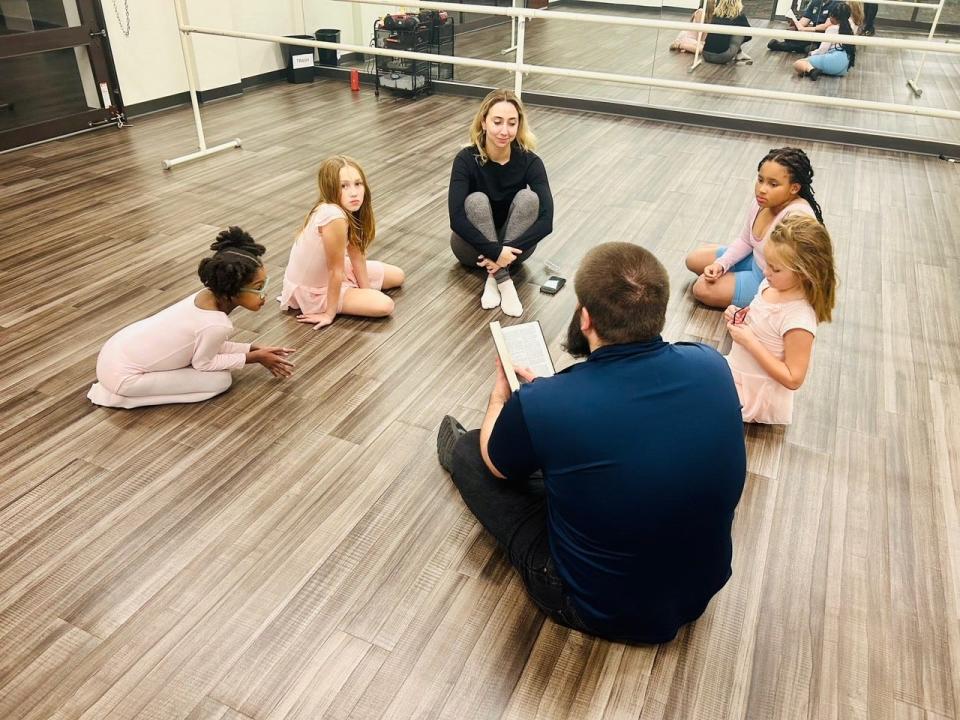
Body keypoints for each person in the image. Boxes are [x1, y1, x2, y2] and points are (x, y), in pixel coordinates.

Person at [436, 243, 746, 645]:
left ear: (585, 318)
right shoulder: (712, 364)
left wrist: (501, 398)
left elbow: (497, 465)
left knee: (476, 455)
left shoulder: (551, 400)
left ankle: (460, 453)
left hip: (599, 607)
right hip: (701, 589)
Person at [88, 227, 295, 409]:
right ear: (231, 289)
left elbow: (205, 344)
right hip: (123, 378)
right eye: (258, 288)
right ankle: (120, 398)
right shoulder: (216, 324)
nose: (265, 293)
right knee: (220, 381)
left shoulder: (202, 297)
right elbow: (203, 363)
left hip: (113, 354)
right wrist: (254, 358)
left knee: (217, 372)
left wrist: (251, 348)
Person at [448, 89, 554, 318]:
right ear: (484, 122)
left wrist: (505, 253)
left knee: (529, 198)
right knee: (476, 201)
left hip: (515, 250)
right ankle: (504, 282)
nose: (504, 131)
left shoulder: (530, 161)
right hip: (470, 250)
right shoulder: (466, 159)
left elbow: (547, 221)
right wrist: (496, 252)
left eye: (511, 123)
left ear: (519, 126)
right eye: (497, 122)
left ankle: (494, 276)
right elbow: (456, 218)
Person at [724, 215, 837, 424]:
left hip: (756, 394)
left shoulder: (799, 319)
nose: (766, 272)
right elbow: (762, 318)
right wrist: (740, 314)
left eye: (775, 269)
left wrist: (750, 341)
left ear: (804, 273)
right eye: (767, 264)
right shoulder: (771, 285)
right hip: (738, 371)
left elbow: (793, 378)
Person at [685, 146, 823, 309]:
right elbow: (745, 240)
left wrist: (769, 298)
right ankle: (729, 276)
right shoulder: (763, 201)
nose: (762, 189)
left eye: (773, 184)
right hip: (755, 259)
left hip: (770, 279)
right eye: (760, 180)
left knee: (701, 288)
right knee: (693, 259)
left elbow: (795, 275)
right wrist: (721, 265)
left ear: (794, 188)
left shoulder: (797, 218)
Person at [280, 155, 405, 330]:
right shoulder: (333, 215)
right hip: (314, 288)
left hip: (334, 271)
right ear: (330, 188)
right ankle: (341, 300)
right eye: (344, 186)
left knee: (397, 275)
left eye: (358, 184)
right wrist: (328, 314)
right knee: (385, 305)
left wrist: (366, 291)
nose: (354, 192)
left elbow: (356, 253)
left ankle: (357, 293)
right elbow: (334, 271)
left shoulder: (348, 208)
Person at [793, 3, 857, 80]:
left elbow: (822, 50)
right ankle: (815, 69)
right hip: (844, 67)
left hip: (833, 60)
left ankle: (812, 70)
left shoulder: (832, 29)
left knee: (798, 63)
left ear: (834, 16)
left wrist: (812, 54)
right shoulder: (851, 26)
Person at [768, 0, 839, 53]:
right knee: (789, 33)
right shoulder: (815, 2)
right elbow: (804, 21)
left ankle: (781, 45)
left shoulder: (836, 4)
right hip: (812, 32)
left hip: (825, 34)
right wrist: (795, 23)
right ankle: (809, 46)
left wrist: (804, 29)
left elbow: (826, 26)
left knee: (803, 43)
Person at [702, 0, 753, 65]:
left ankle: (739, 53)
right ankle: (739, 53)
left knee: (724, 33)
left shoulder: (715, 14)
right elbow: (749, 34)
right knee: (740, 31)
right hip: (722, 57)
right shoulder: (739, 16)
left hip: (705, 54)